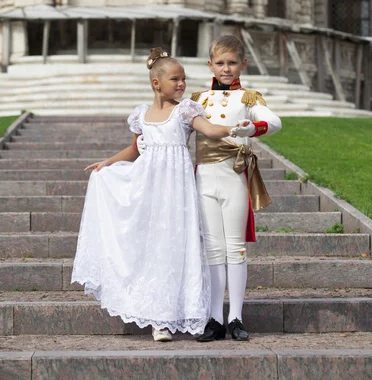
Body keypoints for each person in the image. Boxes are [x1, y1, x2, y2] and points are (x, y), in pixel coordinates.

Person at [72, 47, 250, 342]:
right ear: (157, 83)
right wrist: (108, 163)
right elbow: (134, 149)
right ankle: (156, 318)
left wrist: (233, 128)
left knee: (171, 247)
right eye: (175, 79)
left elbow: (209, 129)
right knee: (150, 247)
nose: (181, 84)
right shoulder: (142, 114)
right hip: (148, 189)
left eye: (183, 79)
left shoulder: (186, 111)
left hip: (176, 194)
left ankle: (169, 315)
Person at [192, 34, 282, 342]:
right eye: (220, 63)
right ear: (210, 65)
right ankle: (215, 317)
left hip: (234, 177)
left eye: (232, 63)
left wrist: (253, 127)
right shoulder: (198, 99)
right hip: (204, 178)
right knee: (213, 249)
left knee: (235, 247)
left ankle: (236, 317)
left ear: (243, 64)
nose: (226, 68)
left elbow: (274, 122)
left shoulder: (249, 98)